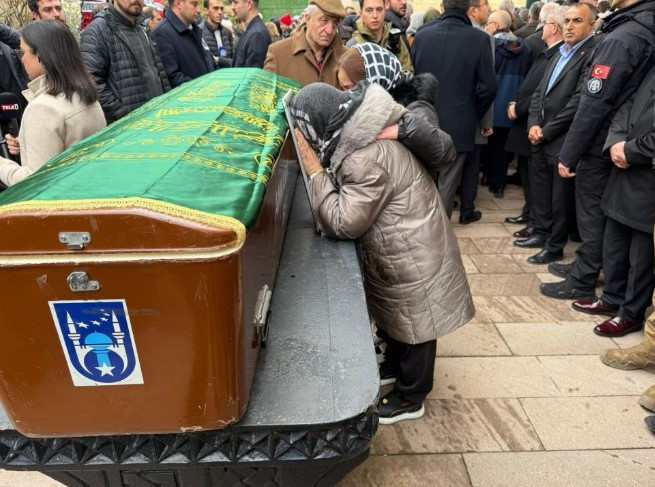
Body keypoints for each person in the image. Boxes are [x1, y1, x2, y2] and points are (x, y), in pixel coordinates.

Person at [290, 81, 474, 424]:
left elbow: (344, 222)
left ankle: (411, 396)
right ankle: (393, 366)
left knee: (418, 324)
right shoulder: (360, 142)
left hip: (414, 250)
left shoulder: (363, 158)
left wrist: (315, 172)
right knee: (398, 316)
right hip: (406, 241)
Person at [540, 0, 655, 309]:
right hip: (615, 138)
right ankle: (585, 266)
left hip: (600, 142)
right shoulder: (636, 28)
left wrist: (569, 152)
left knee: (591, 215)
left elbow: (594, 102)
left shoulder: (623, 36)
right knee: (598, 215)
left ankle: (583, 279)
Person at [572, 63, 655, 337]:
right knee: (614, 243)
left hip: (646, 176)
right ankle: (611, 298)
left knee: (640, 255)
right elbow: (627, 104)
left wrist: (632, 151)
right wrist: (617, 140)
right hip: (622, 170)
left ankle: (630, 314)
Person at [518, 3, 597, 265]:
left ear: (591, 26)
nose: (570, 26)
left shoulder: (589, 54)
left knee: (559, 200)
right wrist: (532, 124)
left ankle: (554, 245)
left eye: (577, 21)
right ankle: (540, 233)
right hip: (539, 134)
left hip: (561, 138)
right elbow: (540, 92)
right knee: (540, 192)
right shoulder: (557, 53)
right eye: (567, 21)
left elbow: (578, 101)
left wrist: (547, 130)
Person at [411, 0, 496, 219]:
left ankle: (424, 227)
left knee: (423, 179)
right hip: (461, 122)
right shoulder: (479, 39)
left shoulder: (422, 35)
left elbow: (413, 78)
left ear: (443, 6)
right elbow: (488, 87)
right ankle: (439, 233)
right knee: (447, 185)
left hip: (423, 119)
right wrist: (473, 112)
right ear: (469, 9)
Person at [336, 43, 456, 197]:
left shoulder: (416, 107)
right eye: (343, 88)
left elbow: (443, 153)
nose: (347, 95)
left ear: (374, 80)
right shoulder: (371, 107)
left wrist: (404, 130)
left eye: (350, 88)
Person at [0, 20, 105, 187]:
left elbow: (34, 182)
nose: (22, 59)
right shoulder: (85, 94)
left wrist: (2, 165)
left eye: (23, 52)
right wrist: (28, 142)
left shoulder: (43, 108)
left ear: (41, 56)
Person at [505, 4, 566, 236]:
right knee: (528, 175)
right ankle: (530, 213)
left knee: (537, 179)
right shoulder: (546, 51)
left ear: (552, 27)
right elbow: (531, 83)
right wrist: (514, 103)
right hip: (526, 121)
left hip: (536, 124)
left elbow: (543, 92)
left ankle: (536, 221)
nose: (540, 27)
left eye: (544, 23)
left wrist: (518, 107)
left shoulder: (558, 54)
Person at [81, 0, 170, 124]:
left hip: (158, 120)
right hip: (129, 131)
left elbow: (159, 72)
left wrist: (167, 103)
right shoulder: (97, 30)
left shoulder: (143, 27)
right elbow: (92, 83)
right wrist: (125, 119)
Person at [481, 9, 531, 198]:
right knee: (502, 149)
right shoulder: (524, 47)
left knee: (488, 145)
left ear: (494, 25)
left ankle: (488, 177)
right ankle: (498, 183)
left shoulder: (489, 45)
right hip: (512, 105)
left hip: (492, 104)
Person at [461, 0, 493, 225]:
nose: (489, 11)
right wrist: (485, 118)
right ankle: (467, 210)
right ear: (473, 10)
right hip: (473, 114)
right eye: (485, 6)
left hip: (444, 114)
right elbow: (487, 84)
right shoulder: (483, 37)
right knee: (471, 165)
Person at [264, 0, 347, 88]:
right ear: (308, 19)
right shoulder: (278, 53)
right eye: (324, 20)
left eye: (335, 23)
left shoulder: (347, 57)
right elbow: (263, 97)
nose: (329, 31)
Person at [153, 0, 214, 88]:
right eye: (194, 4)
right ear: (179, 4)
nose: (198, 10)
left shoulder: (194, 29)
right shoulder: (162, 32)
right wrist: (202, 89)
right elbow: (172, 77)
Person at [348, 0, 413, 72]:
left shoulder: (395, 38)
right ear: (361, 14)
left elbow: (408, 72)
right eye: (369, 10)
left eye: (379, 10)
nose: (375, 15)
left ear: (384, 12)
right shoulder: (353, 45)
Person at [231, 0, 270, 68]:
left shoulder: (257, 34)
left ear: (249, 4)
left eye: (236, 2)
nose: (232, 7)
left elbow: (252, 75)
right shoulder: (252, 30)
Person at [202, 0, 234, 68]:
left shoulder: (227, 32)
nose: (220, 12)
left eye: (221, 8)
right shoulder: (200, 33)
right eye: (215, 8)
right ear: (206, 11)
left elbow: (234, 60)